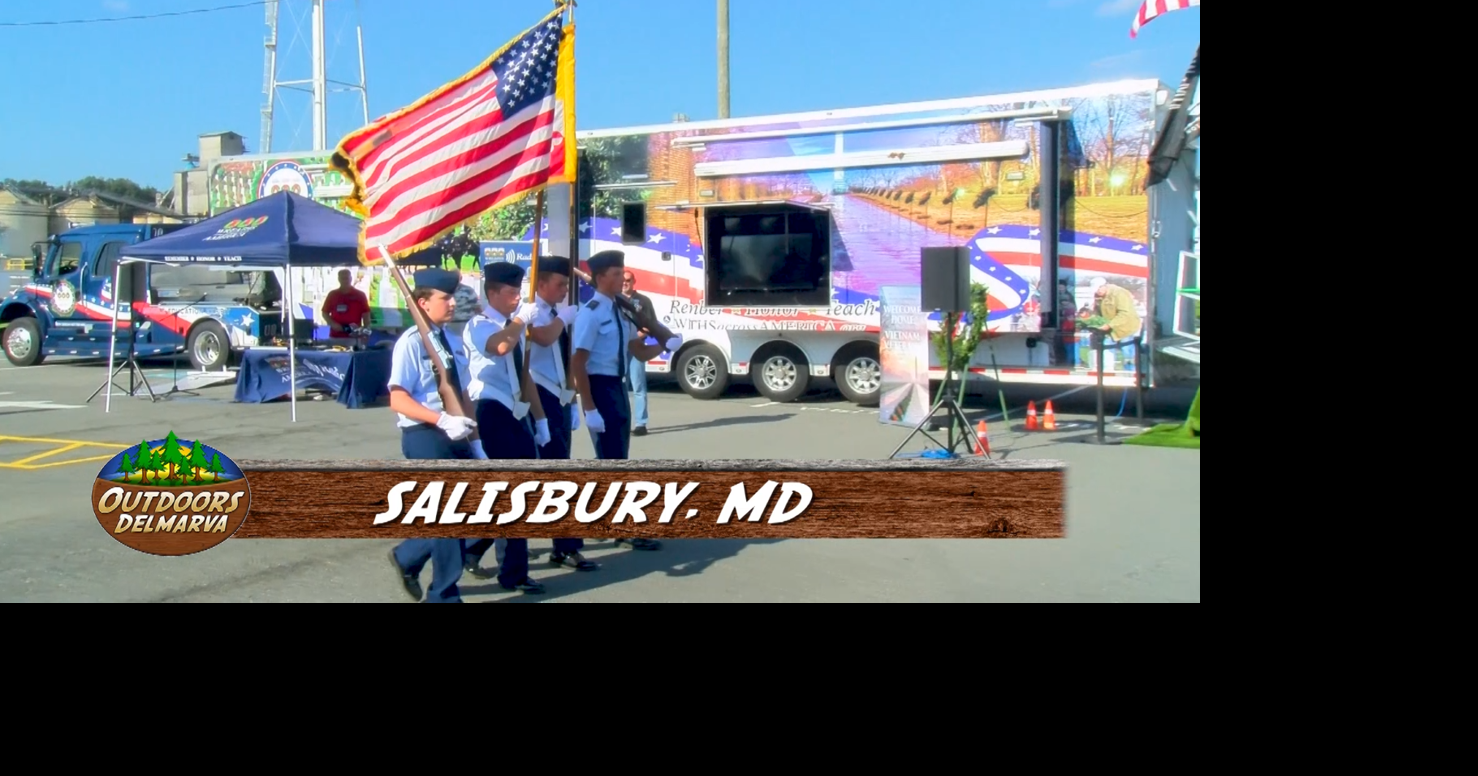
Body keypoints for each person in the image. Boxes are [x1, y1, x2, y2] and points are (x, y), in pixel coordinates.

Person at [571, 251, 681, 553]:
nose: (623, 279)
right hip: (600, 388)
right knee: (613, 461)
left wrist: (666, 345)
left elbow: (638, 352)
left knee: (615, 459)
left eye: (623, 273)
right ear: (601, 277)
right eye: (617, 274)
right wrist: (589, 408)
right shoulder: (591, 313)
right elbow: (578, 362)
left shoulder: (620, 310)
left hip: (618, 388)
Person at [384, 268, 477, 604]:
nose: (452, 303)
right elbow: (398, 398)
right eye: (445, 298)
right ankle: (443, 596)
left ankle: (408, 556)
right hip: (425, 434)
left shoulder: (450, 339)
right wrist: (441, 419)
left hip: (456, 433)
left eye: (453, 297)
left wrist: (476, 440)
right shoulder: (411, 342)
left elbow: (461, 391)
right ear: (422, 303)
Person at [459, 262, 548, 595]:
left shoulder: (513, 325)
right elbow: (500, 347)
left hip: (516, 412)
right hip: (490, 411)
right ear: (492, 293)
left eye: (519, 292)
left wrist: (541, 419)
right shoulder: (479, 325)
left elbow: (525, 376)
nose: (517, 298)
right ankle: (513, 572)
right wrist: (521, 320)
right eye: (511, 292)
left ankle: (473, 546)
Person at [526, 256, 598, 572]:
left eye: (567, 285)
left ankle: (564, 546)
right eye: (559, 284)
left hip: (558, 397)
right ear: (541, 283)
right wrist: (563, 320)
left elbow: (566, 358)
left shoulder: (557, 313)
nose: (564, 290)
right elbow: (542, 338)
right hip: (536, 397)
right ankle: (476, 545)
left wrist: (572, 398)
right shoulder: (529, 311)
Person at [621, 270, 657, 436]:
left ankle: (641, 424)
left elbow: (650, 325)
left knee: (638, 386)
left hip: (637, 348)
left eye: (628, 280)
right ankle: (623, 422)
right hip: (619, 349)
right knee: (621, 388)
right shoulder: (613, 299)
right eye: (622, 280)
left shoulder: (643, 301)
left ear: (634, 281)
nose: (625, 282)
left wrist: (634, 337)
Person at [1091, 279, 1143, 372]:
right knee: (1106, 351)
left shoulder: (1119, 293)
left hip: (1126, 328)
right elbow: (1097, 312)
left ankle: (1132, 374)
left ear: (1104, 285)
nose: (1098, 292)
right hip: (1110, 330)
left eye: (1099, 289)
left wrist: (1109, 325)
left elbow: (1124, 313)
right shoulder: (1098, 296)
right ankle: (1106, 373)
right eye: (1096, 290)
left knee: (1128, 353)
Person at [322, 269, 370, 337]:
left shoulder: (360, 295)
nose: (345, 281)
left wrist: (365, 331)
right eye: (342, 278)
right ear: (339, 279)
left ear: (351, 279)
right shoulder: (332, 295)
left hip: (355, 336)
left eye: (346, 278)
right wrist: (333, 324)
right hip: (335, 335)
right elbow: (325, 312)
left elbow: (366, 314)